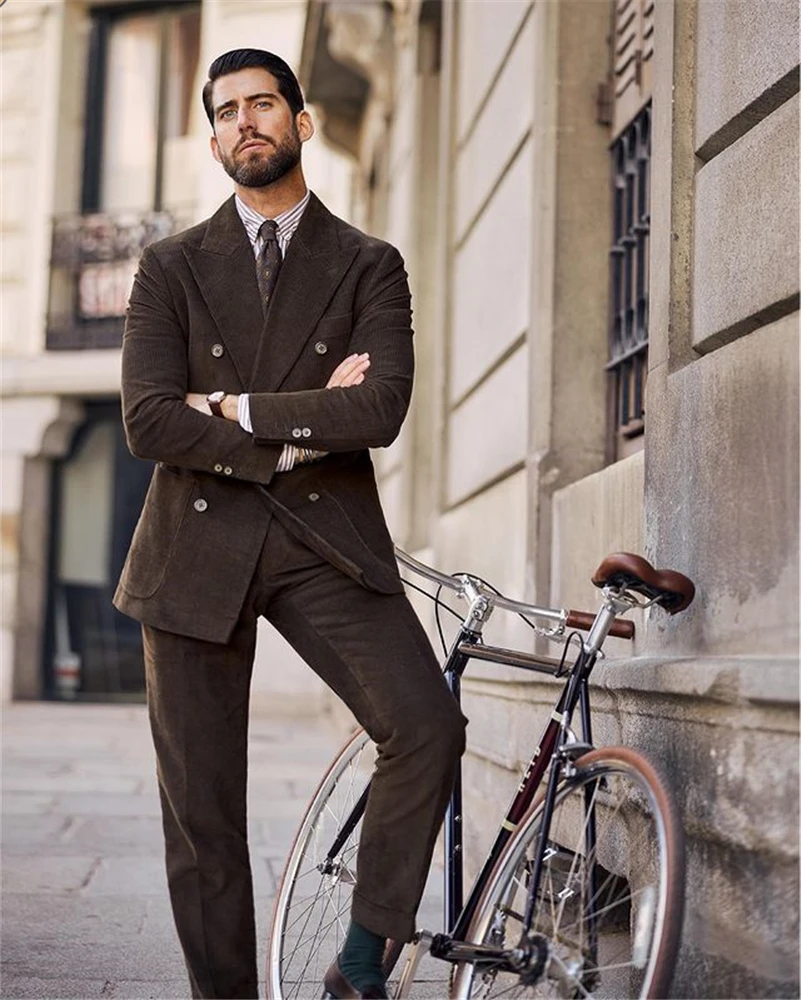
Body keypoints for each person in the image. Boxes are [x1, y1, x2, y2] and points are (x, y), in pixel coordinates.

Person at [113, 48, 467, 1000]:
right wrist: (301, 424)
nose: (244, 122)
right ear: (215, 136)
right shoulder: (171, 266)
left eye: (261, 103)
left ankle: (359, 967)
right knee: (203, 820)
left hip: (323, 545)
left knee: (425, 724)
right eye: (225, 111)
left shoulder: (366, 264)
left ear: (300, 123)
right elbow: (148, 420)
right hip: (193, 550)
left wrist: (230, 407)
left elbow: (380, 409)